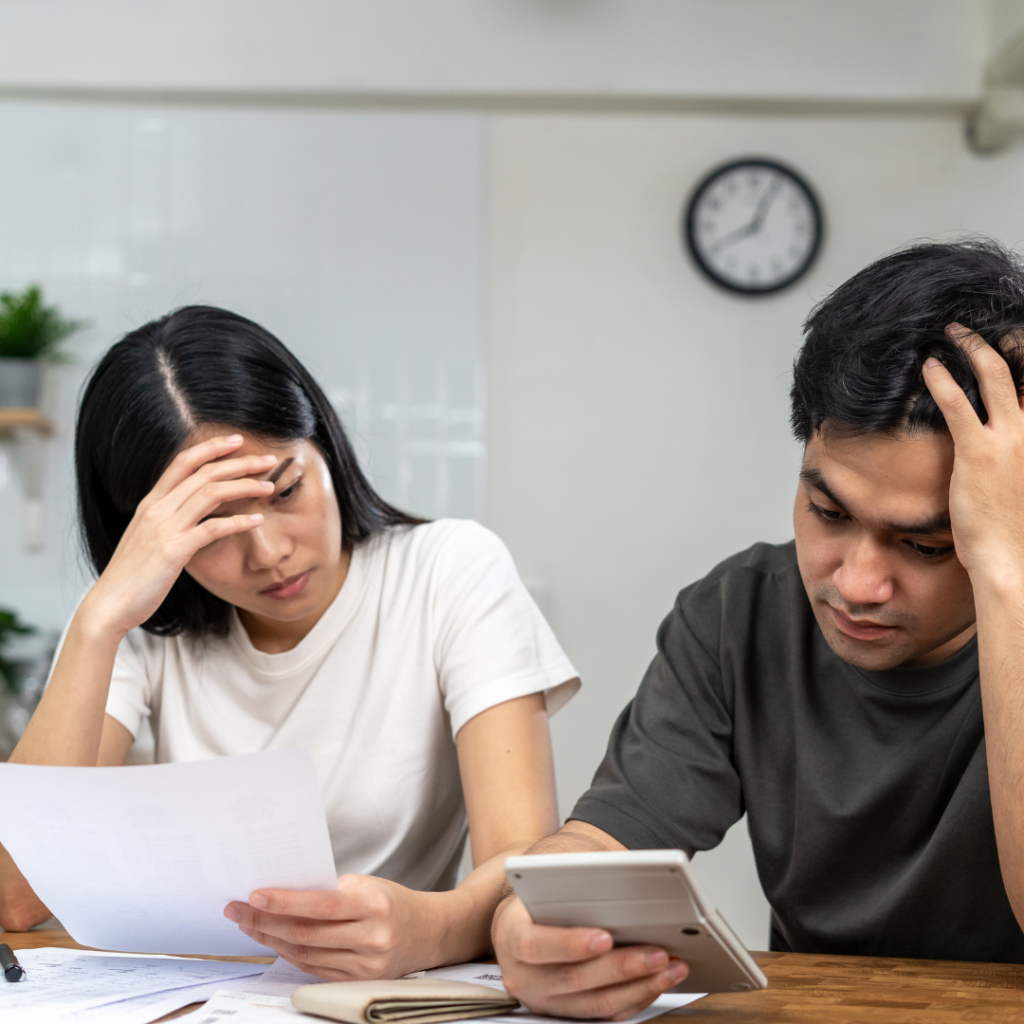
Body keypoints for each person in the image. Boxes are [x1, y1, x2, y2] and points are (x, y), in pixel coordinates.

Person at [492, 239, 1024, 1019]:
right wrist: (528, 928)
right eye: (828, 513)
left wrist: (1006, 577)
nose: (856, 584)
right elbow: (601, 848)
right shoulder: (738, 614)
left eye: (927, 545)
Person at [0, 306, 579, 981]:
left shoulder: (449, 571)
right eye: (210, 527)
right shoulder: (138, 621)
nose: (270, 553)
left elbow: (523, 863)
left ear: (325, 446)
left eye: (285, 488)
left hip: (386, 996)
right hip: (196, 993)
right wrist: (99, 620)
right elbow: (16, 897)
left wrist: (432, 929)